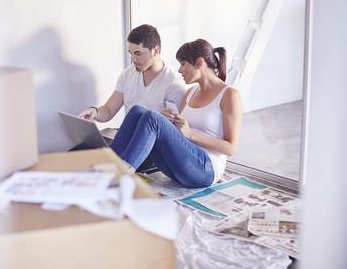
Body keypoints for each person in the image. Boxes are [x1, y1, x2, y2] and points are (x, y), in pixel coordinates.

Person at [109, 39, 242, 188]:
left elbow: (230, 148)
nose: (179, 70)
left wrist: (190, 134)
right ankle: (106, 167)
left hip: (206, 169)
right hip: (182, 165)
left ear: (199, 63)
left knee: (152, 118)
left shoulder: (229, 95)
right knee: (138, 111)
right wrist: (170, 121)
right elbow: (180, 135)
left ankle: (117, 178)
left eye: (183, 64)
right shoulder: (190, 92)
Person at [78, 24, 186, 122]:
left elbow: (173, 131)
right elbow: (109, 110)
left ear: (155, 51)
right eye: (131, 53)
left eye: (138, 54)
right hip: (128, 133)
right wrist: (94, 111)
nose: (133, 59)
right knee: (82, 145)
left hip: (151, 140)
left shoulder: (173, 84)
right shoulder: (127, 74)